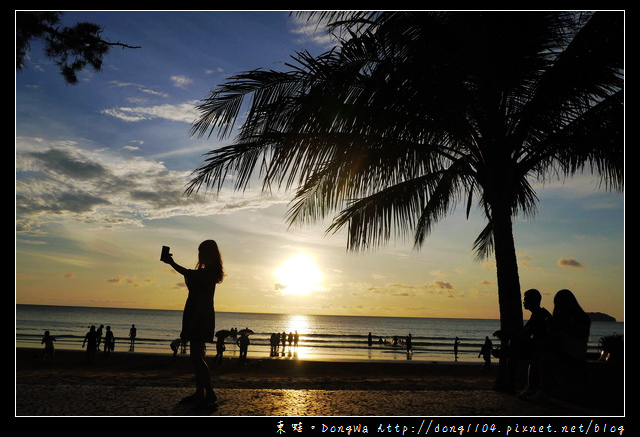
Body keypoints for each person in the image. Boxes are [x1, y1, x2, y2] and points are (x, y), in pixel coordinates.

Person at [162, 240, 224, 411]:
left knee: (196, 357)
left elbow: (189, 274)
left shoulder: (209, 272)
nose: (199, 255)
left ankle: (209, 394)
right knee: (197, 357)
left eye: (201, 251)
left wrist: (172, 263)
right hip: (197, 315)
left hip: (200, 317)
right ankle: (200, 393)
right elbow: (191, 274)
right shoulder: (207, 272)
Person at [531, 289, 591, 403]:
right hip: (567, 352)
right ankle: (536, 390)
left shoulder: (579, 318)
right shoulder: (568, 317)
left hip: (573, 355)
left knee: (544, 358)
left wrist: (559, 327)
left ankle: (543, 392)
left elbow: (579, 334)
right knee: (540, 353)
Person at [517, 289, 552, 398]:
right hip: (541, 346)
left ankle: (532, 388)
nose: (523, 302)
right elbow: (526, 331)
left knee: (533, 358)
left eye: (525, 299)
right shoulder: (538, 314)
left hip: (545, 347)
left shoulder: (539, 315)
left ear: (532, 301)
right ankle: (530, 387)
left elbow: (527, 332)